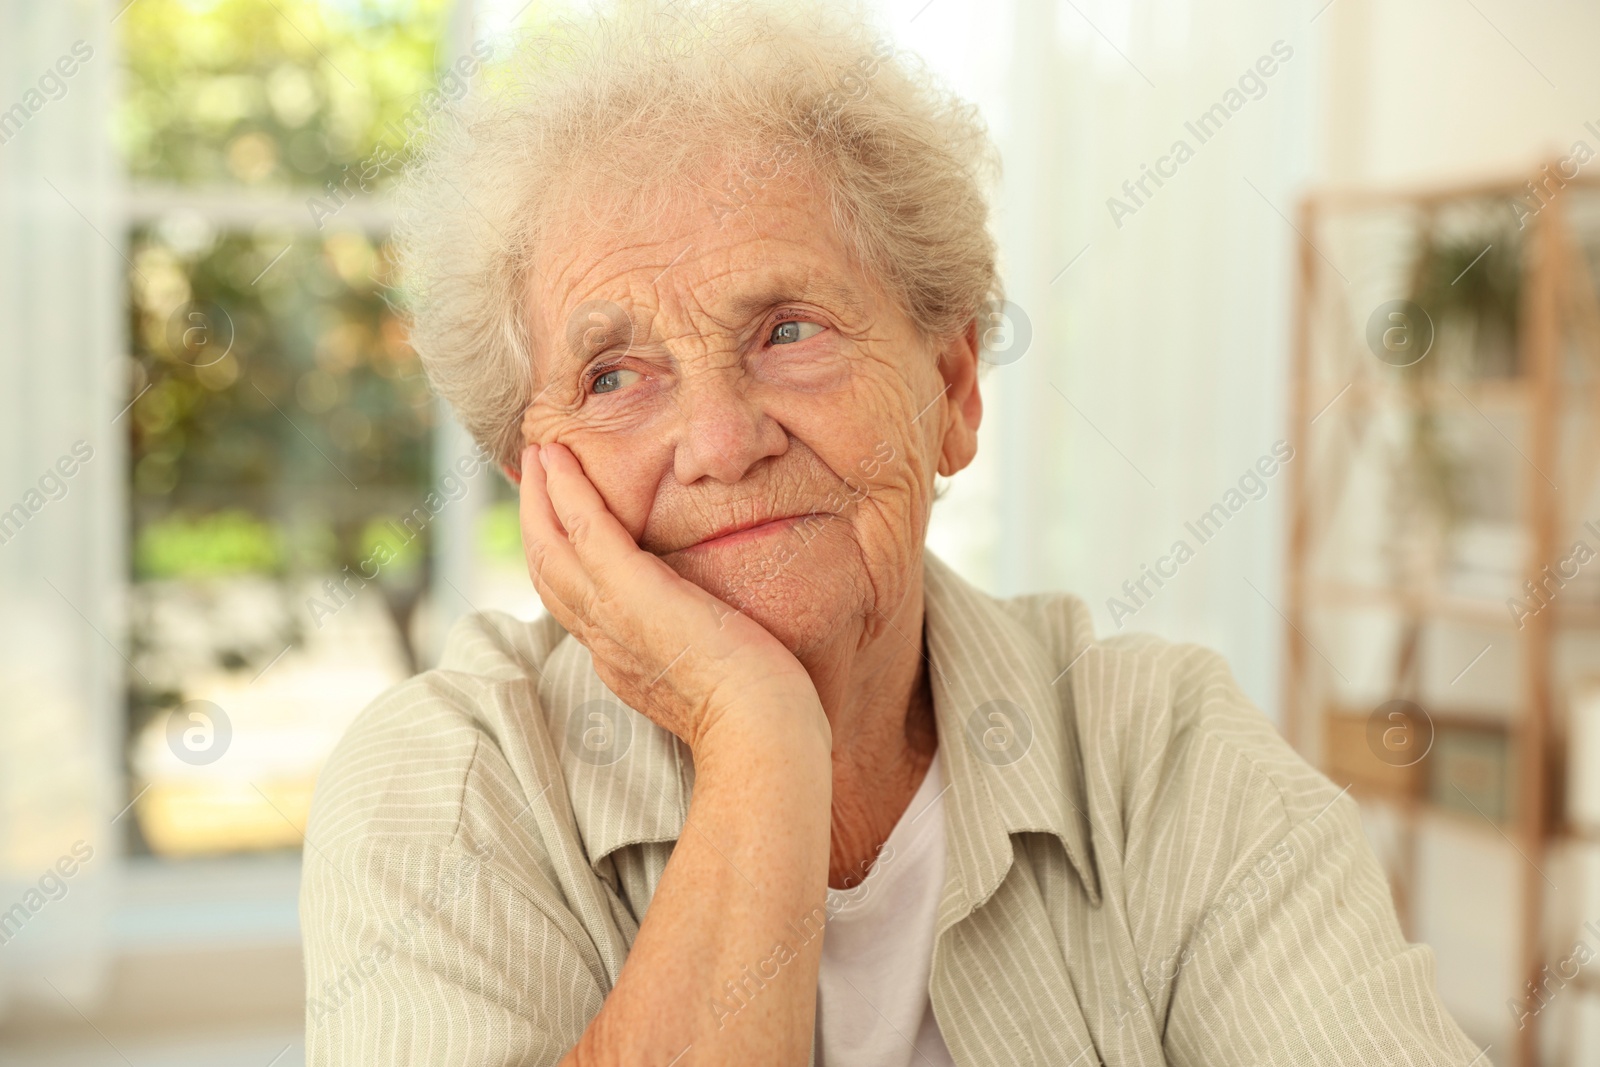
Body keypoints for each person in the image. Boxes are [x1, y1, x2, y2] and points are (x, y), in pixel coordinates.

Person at [300, 2, 1479, 1063]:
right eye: (612, 375)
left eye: (790, 329)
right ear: (536, 477)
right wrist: (758, 736)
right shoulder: (447, 787)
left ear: (955, 386)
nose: (720, 437)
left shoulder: (1161, 755)